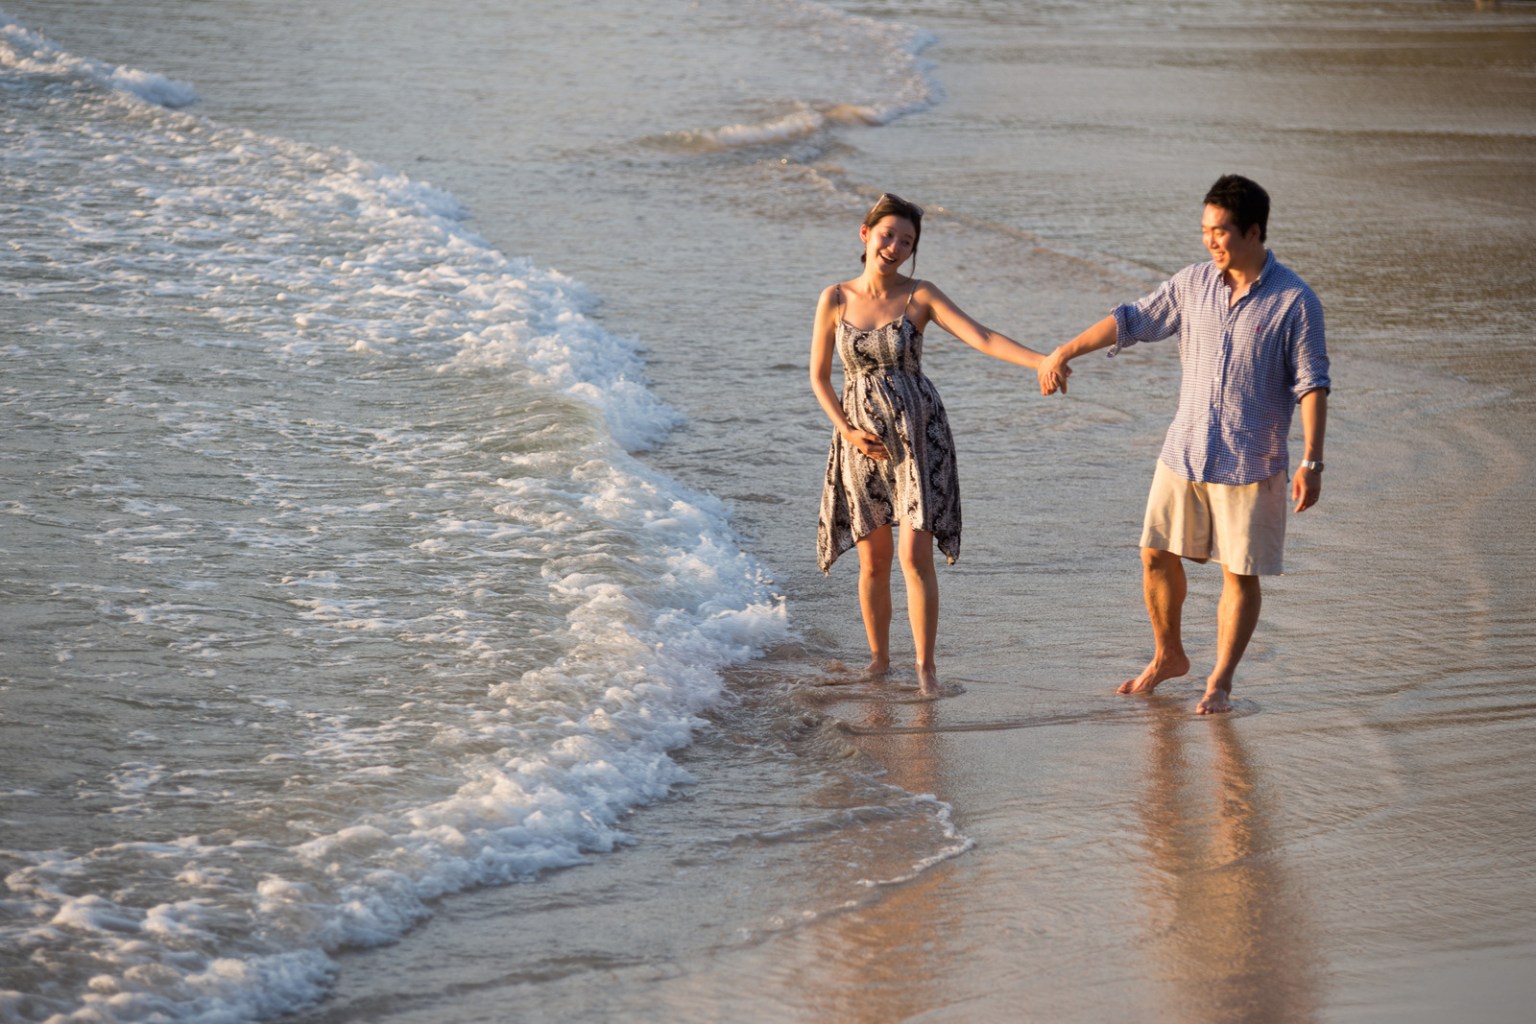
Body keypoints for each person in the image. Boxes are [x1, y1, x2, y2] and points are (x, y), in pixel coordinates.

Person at [1037, 174, 1330, 714]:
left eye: (1220, 232)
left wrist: (1311, 460)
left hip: (1252, 459)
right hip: (1186, 451)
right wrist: (1065, 350)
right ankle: (1169, 655)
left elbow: (1311, 382)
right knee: (1153, 554)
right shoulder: (1192, 284)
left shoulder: (1295, 301)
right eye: (1204, 230)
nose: (1210, 241)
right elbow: (1133, 320)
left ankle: (1219, 681)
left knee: (1239, 574)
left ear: (1254, 231)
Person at [813, 192, 1065, 697]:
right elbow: (819, 377)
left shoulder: (920, 296)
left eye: (907, 241)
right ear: (866, 235)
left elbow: (983, 336)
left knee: (914, 556)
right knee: (873, 560)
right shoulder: (835, 297)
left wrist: (1042, 360)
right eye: (889, 236)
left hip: (919, 439)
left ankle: (926, 669)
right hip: (859, 442)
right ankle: (880, 660)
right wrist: (847, 430)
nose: (896, 247)